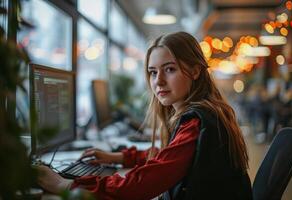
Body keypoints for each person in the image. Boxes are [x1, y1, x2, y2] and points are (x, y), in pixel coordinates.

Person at [37, 32, 252, 199]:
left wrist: (64, 185)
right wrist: (121, 157)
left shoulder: (196, 120)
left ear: (195, 71)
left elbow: (141, 186)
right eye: (153, 72)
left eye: (169, 69)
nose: (158, 81)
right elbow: (170, 157)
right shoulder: (206, 112)